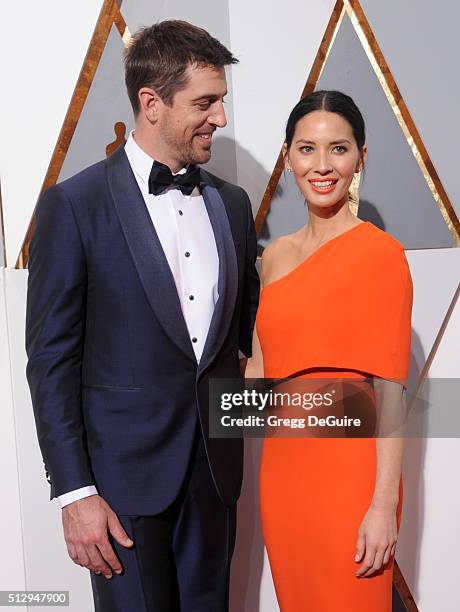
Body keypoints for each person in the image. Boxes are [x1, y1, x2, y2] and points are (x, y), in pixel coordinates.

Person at [26, 20, 259, 612]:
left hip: (214, 478)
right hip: (119, 492)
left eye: (222, 101)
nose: (221, 119)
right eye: (205, 103)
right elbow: (51, 362)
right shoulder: (74, 205)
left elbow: (240, 342)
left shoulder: (231, 205)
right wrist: (74, 492)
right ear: (151, 103)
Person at [246, 90, 412, 611]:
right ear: (289, 156)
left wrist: (383, 504)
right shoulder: (272, 257)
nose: (321, 166)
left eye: (338, 149)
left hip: (352, 477)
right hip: (284, 475)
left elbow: (390, 389)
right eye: (306, 149)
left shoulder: (380, 255)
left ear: (361, 156)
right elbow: (259, 376)